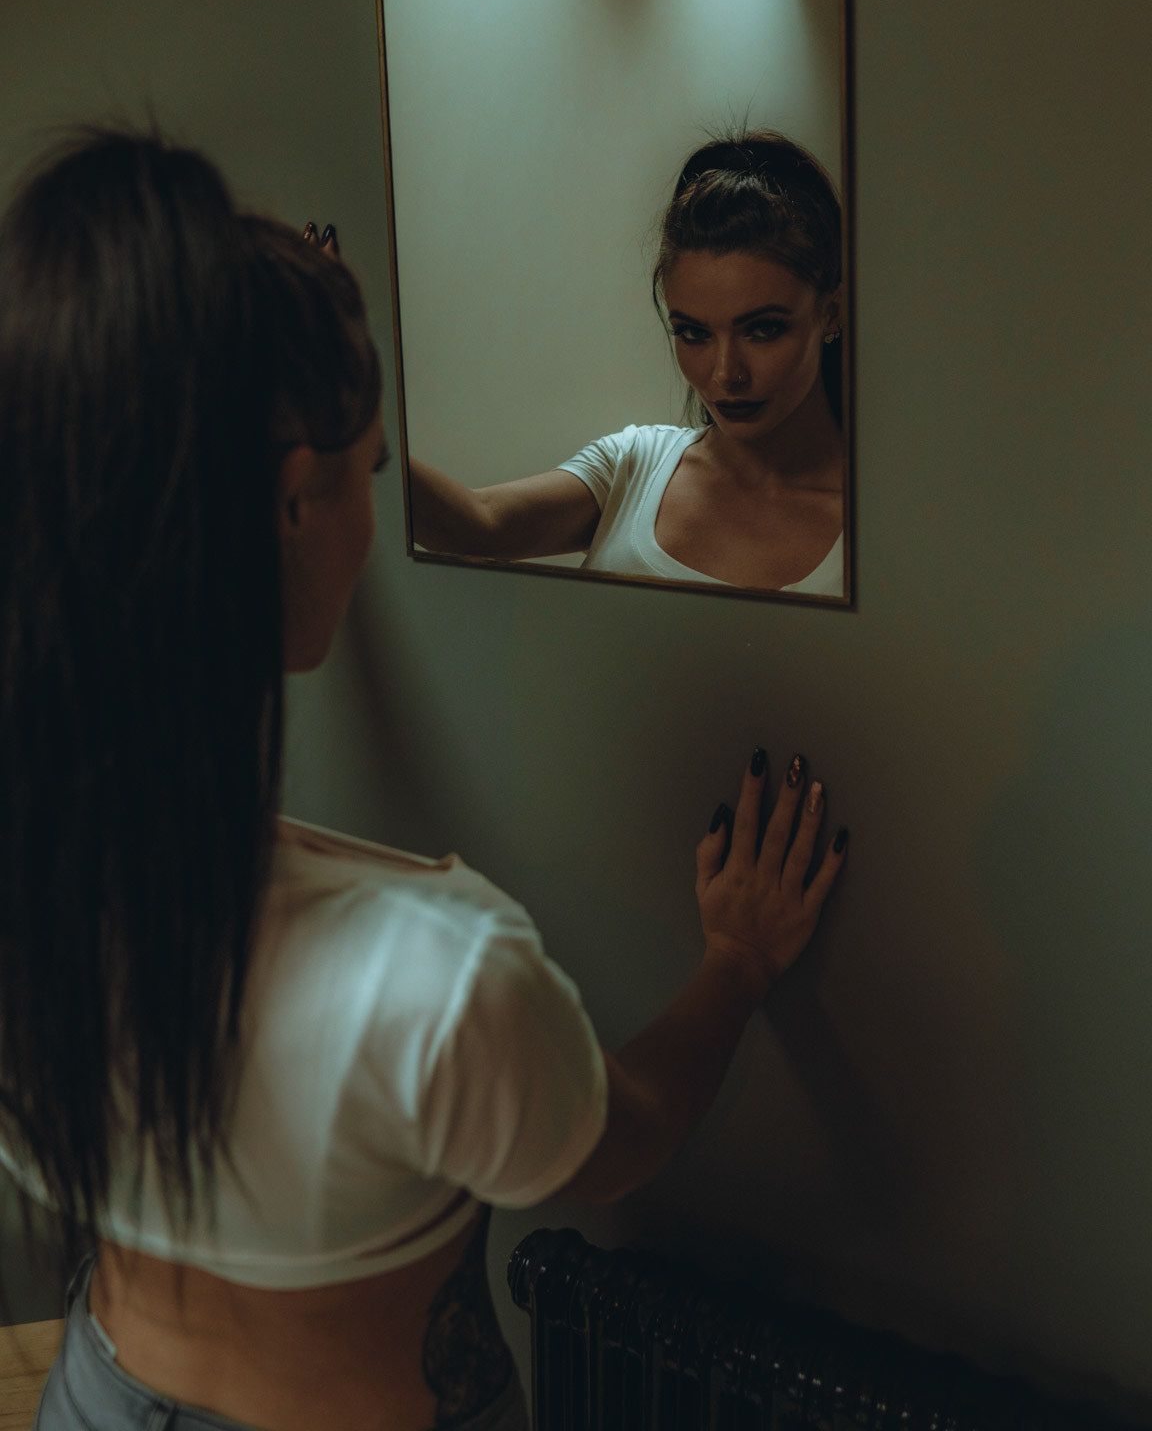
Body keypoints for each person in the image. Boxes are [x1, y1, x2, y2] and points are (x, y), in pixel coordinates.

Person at [0, 128, 848, 1431]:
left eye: (763, 327)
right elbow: (620, 1140)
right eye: (372, 463)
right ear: (296, 498)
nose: (724, 365)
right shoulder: (436, 971)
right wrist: (733, 963)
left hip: (96, 1394)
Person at [410, 131, 845, 597]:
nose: (725, 374)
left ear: (832, 312)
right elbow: (477, 525)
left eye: (763, 330)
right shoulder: (637, 465)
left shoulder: (885, 519)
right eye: (694, 333)